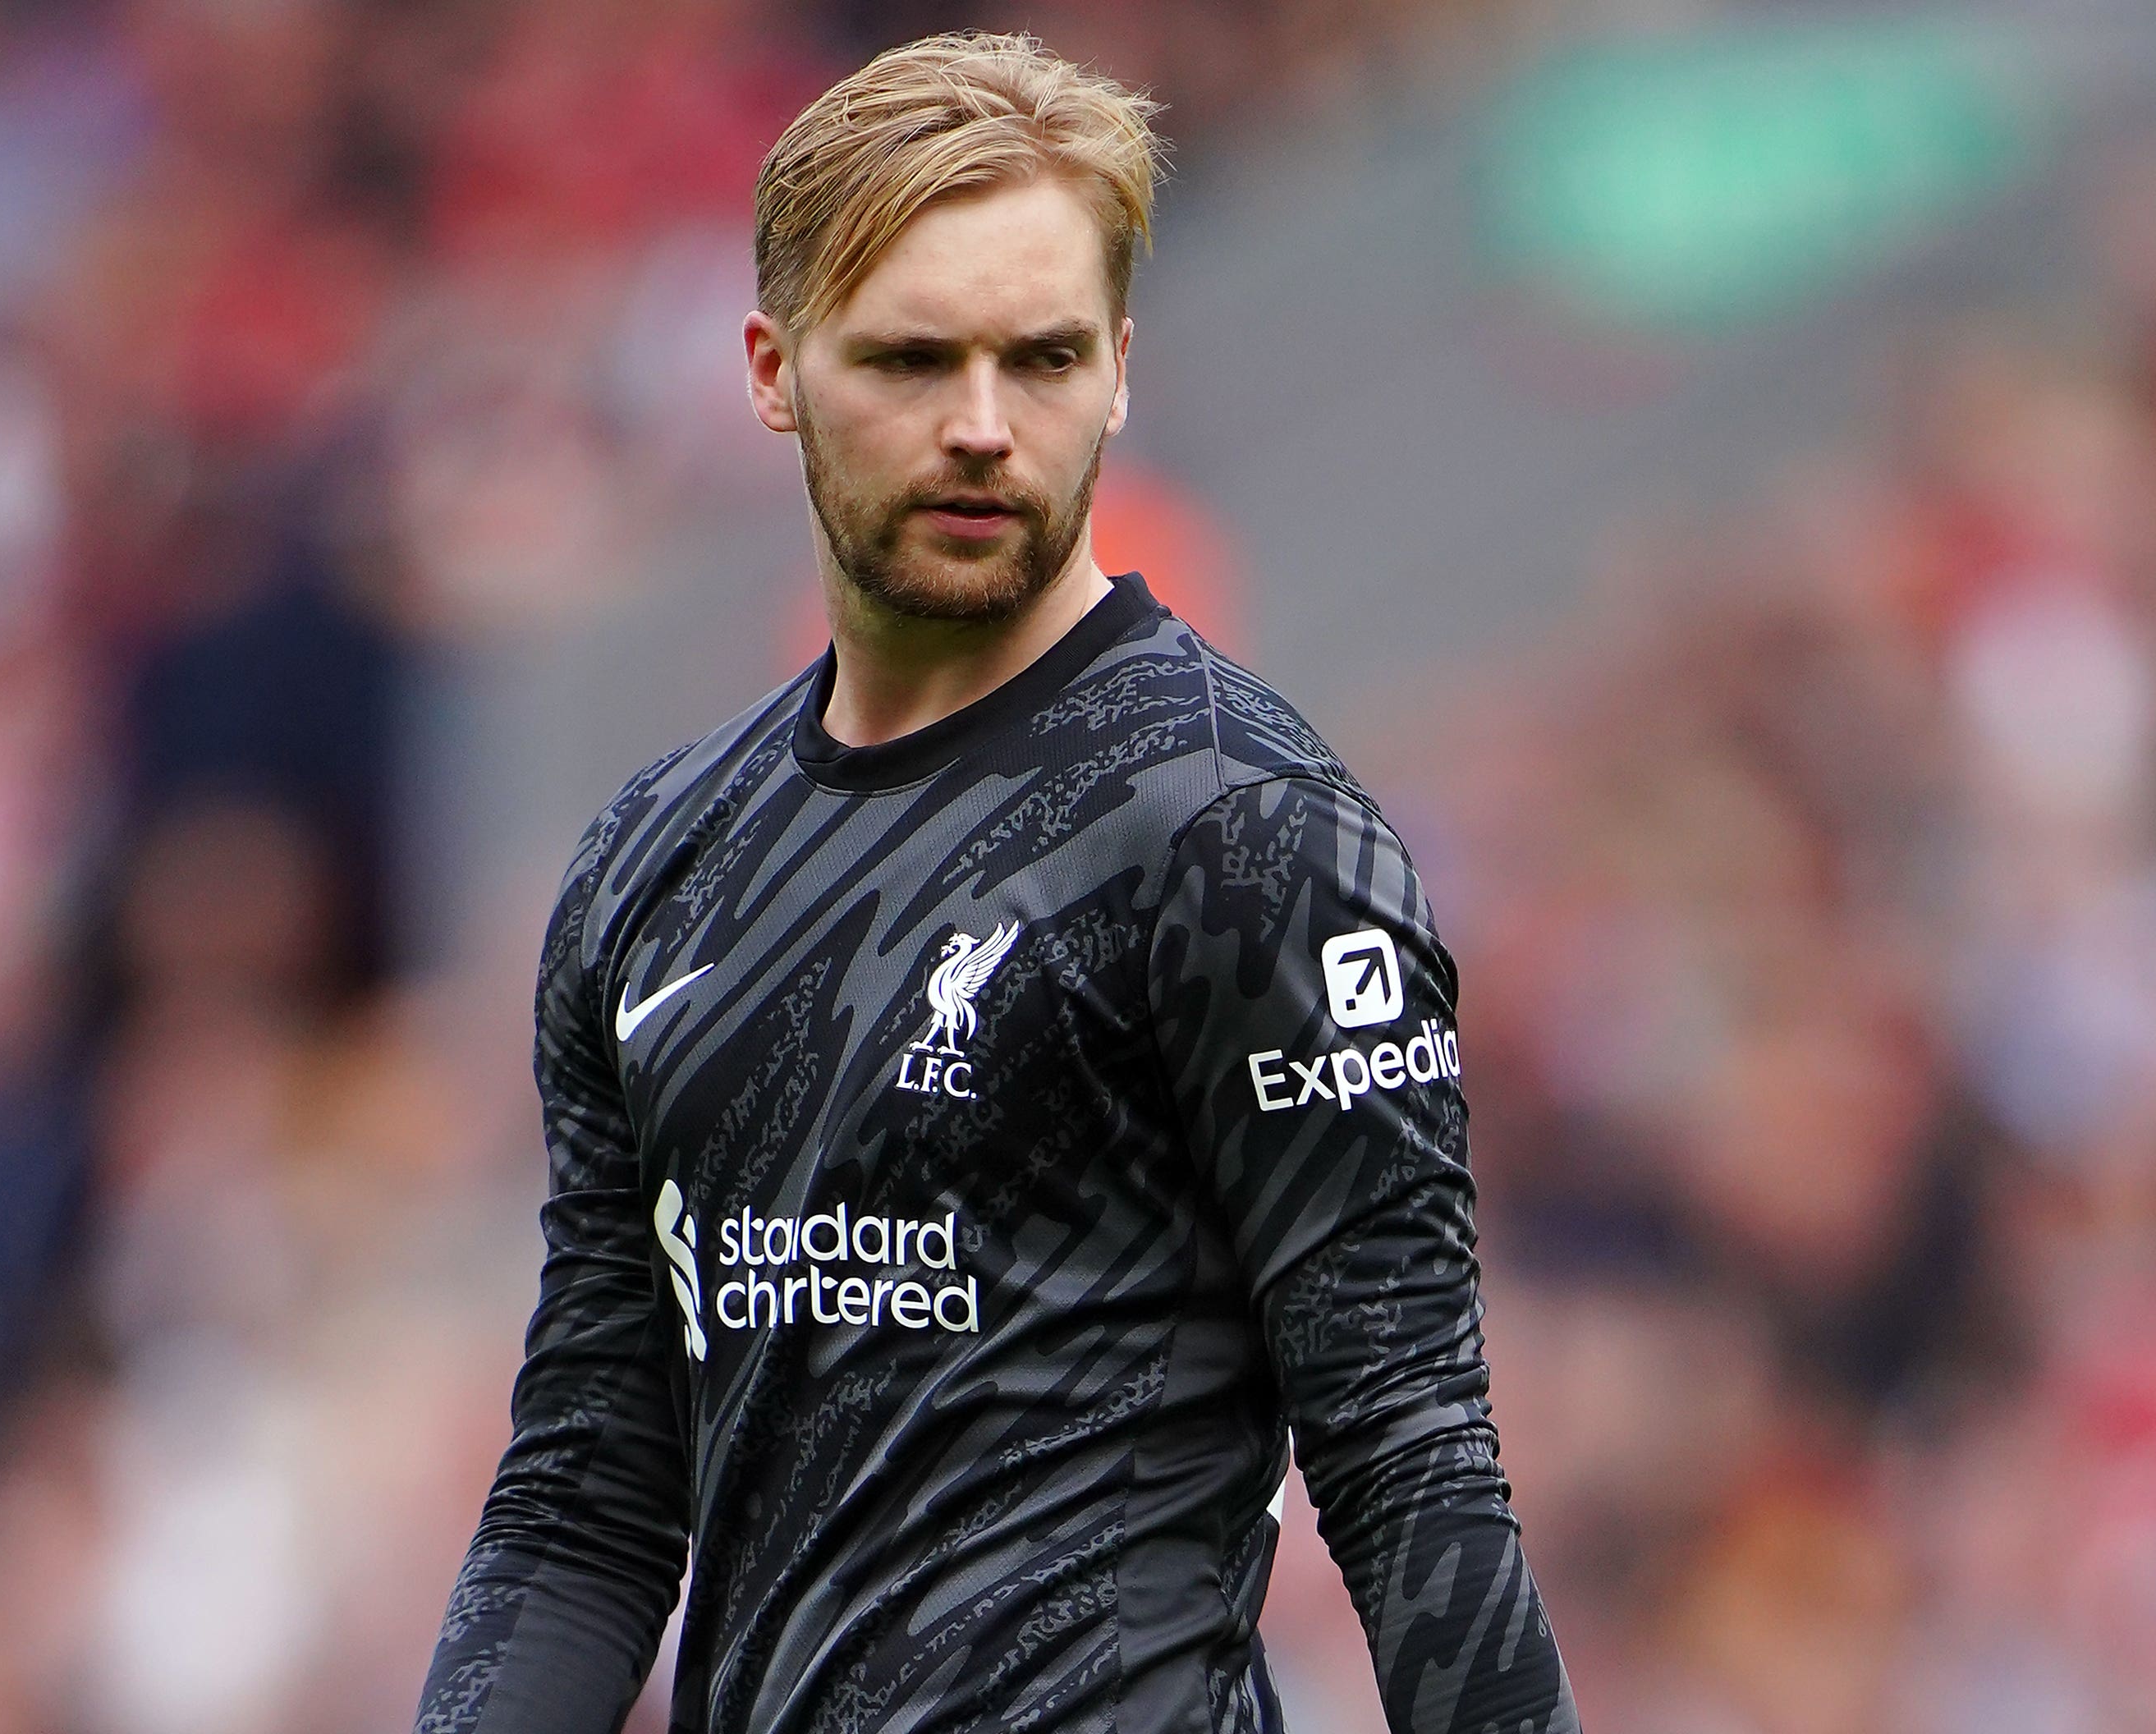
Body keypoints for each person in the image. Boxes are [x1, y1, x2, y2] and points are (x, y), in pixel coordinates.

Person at [412, 30, 1578, 1734]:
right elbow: (591, 1495)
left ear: (1117, 371)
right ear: (771, 368)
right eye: (909, 360)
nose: (979, 429)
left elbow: (1414, 1471)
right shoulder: (649, 866)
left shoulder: (1248, 834)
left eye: (1038, 360)